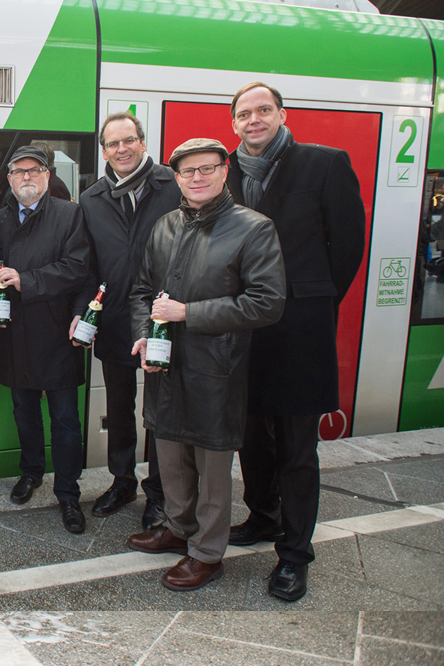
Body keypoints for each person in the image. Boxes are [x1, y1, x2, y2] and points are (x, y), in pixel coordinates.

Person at [225, 82, 366, 601]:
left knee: (298, 448)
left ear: (282, 115)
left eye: (264, 110)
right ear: (233, 123)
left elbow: (348, 245)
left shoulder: (325, 164)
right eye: (245, 113)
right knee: (249, 435)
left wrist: (315, 300)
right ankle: (262, 517)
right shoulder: (225, 171)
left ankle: (295, 553)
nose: (254, 119)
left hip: (300, 329)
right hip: (241, 329)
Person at [126, 138, 286, 592]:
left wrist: (187, 314)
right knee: (170, 455)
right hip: (164, 366)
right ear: (176, 178)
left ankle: (207, 553)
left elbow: (267, 303)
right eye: (187, 171)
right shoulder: (165, 226)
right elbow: (141, 290)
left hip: (217, 369)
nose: (197, 177)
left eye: (206, 168)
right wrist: (143, 332)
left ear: (224, 171)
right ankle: (178, 528)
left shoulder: (253, 228)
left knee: (213, 468)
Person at [76, 111, 181, 530]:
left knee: (160, 410)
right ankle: (123, 481)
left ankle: (160, 491)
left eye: (129, 140)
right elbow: (86, 266)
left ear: (143, 142)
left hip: (164, 321)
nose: (122, 149)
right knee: (119, 408)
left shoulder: (173, 186)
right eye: (113, 143)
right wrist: (83, 315)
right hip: (115, 318)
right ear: (104, 150)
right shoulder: (92, 199)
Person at [0, 146, 90, 533]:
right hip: (14, 332)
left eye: (34, 170)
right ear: (10, 180)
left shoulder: (69, 214)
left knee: (65, 420)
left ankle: (68, 493)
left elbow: (77, 268)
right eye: (18, 171)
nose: (26, 177)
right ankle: (31, 473)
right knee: (24, 412)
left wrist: (26, 280)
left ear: (47, 176)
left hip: (57, 333)